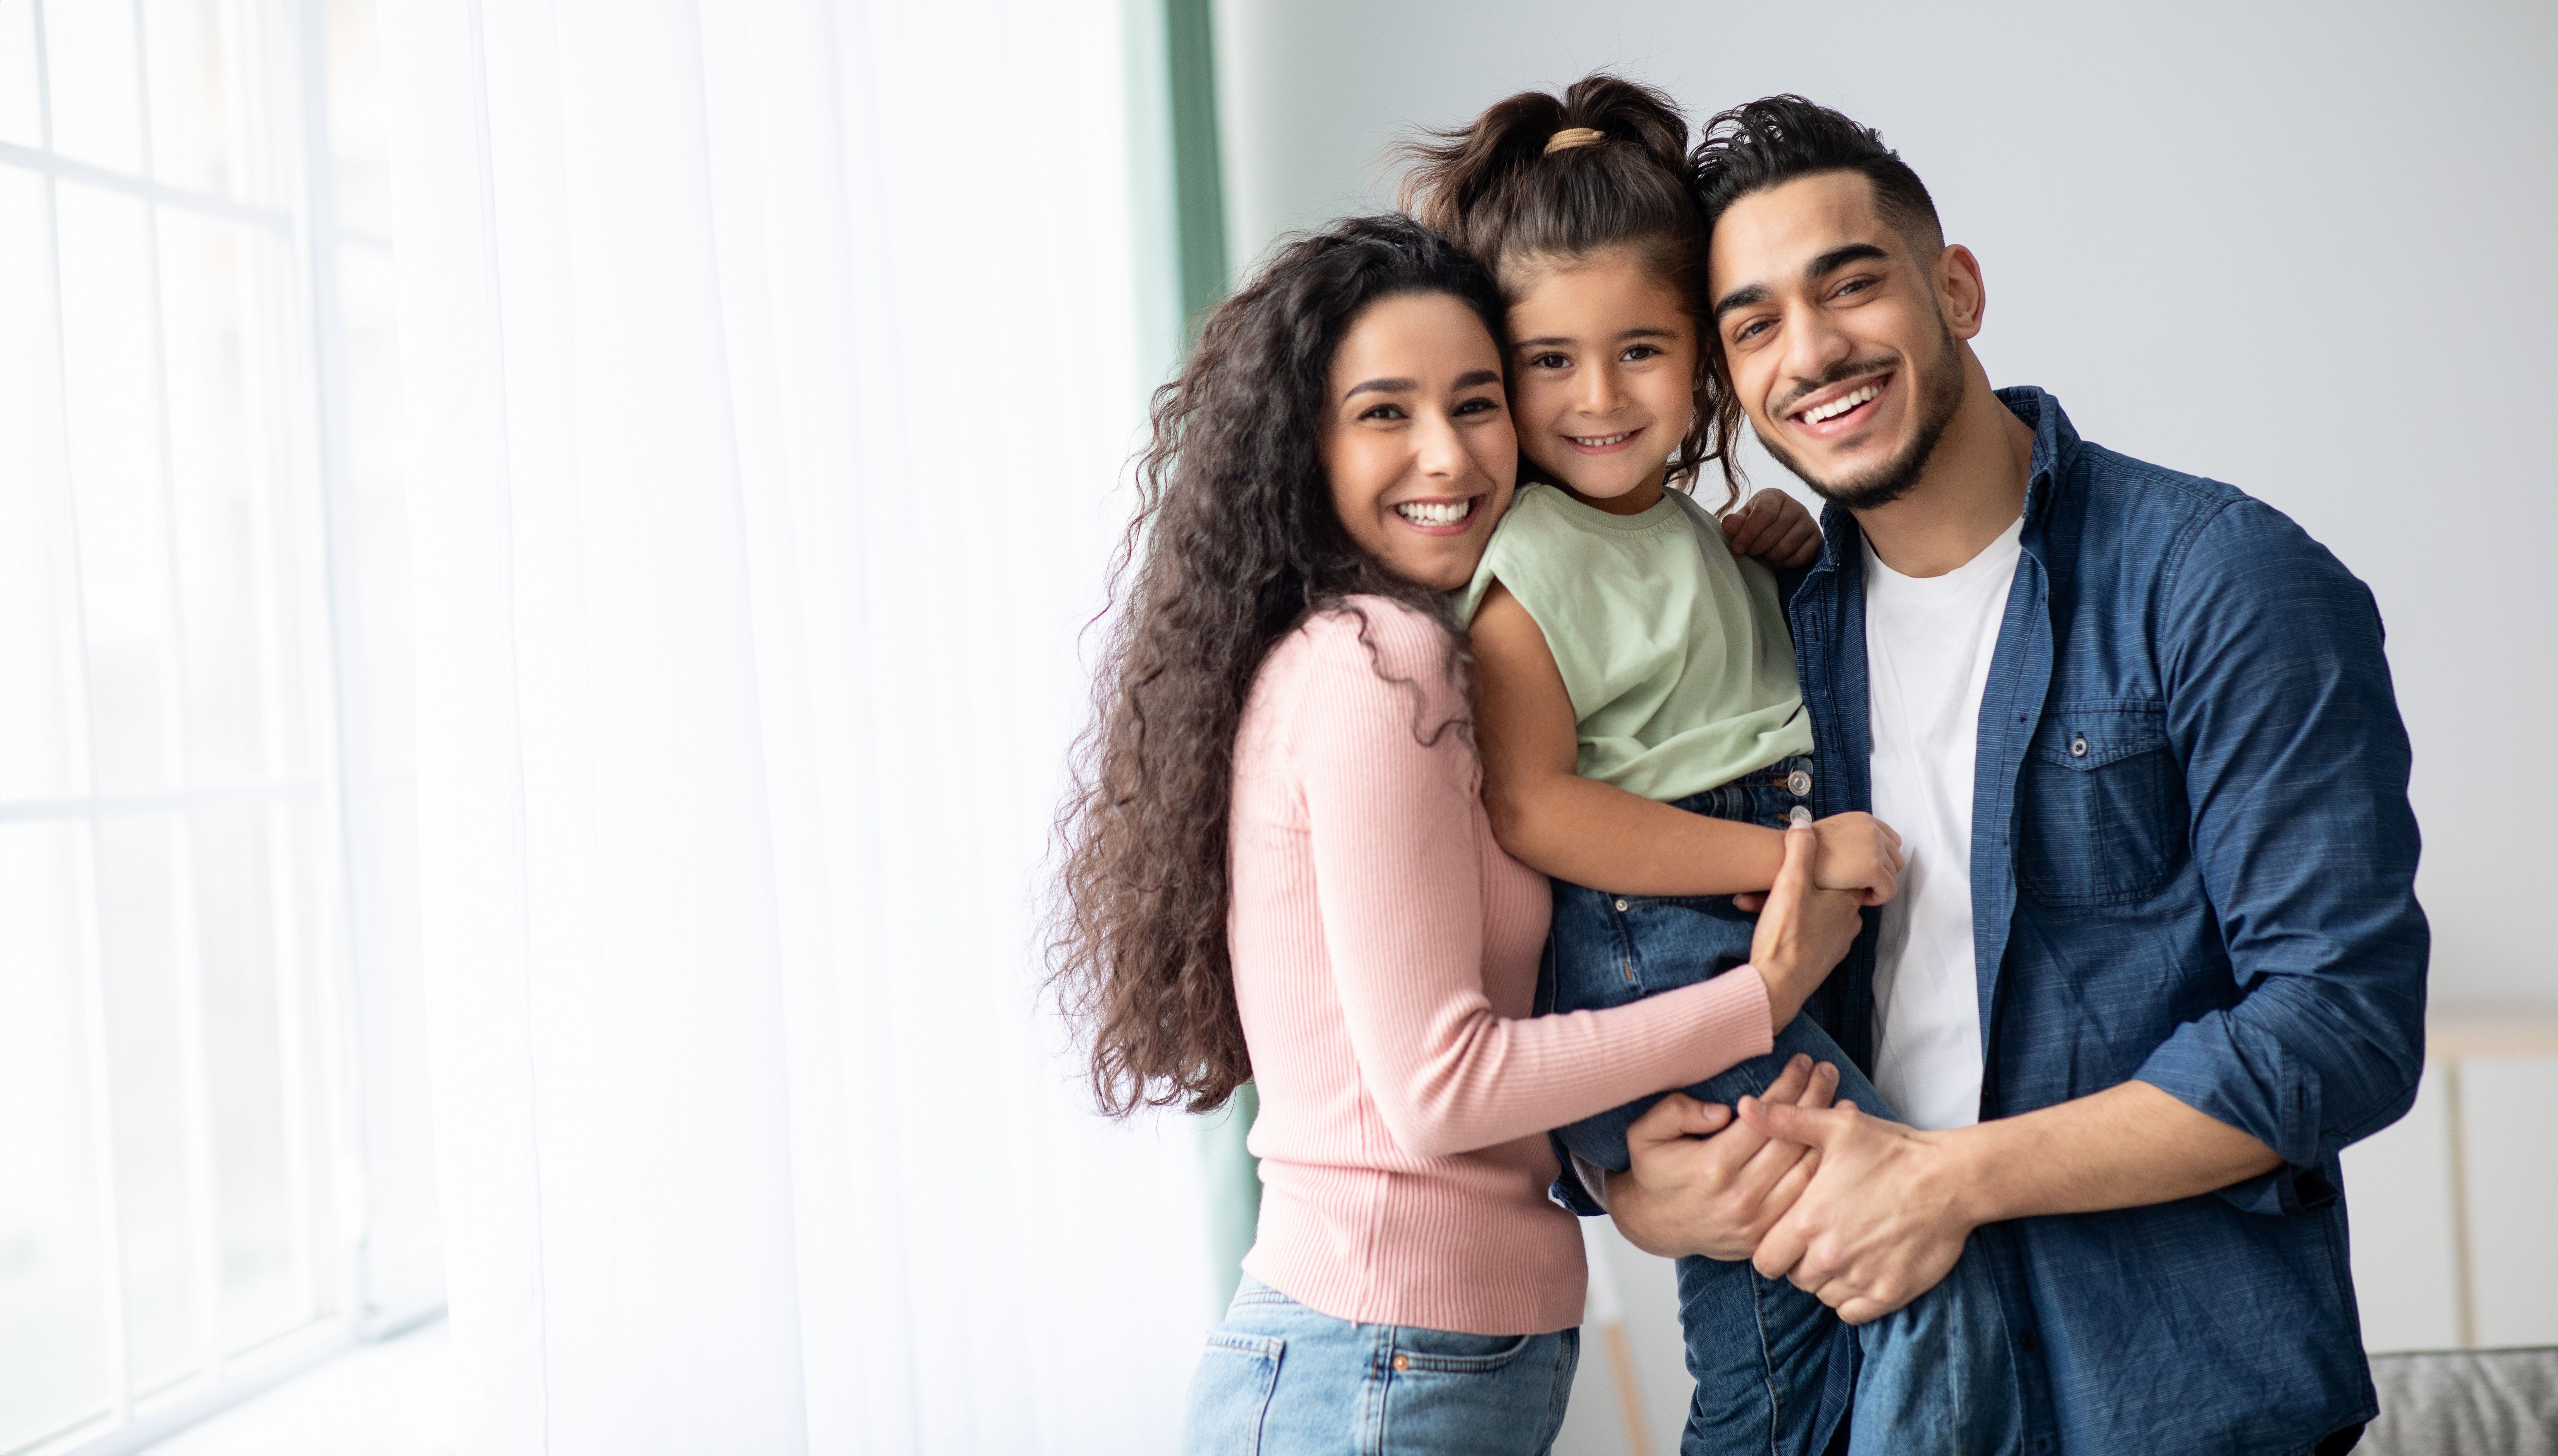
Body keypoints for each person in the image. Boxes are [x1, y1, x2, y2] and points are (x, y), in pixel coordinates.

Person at [1597, 95, 2428, 1455]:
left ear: (1957, 290)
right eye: (1753, 325)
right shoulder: (1760, 631)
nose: (1812, 353)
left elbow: (2340, 1026)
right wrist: (1627, 1185)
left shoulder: (2220, 582)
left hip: (2165, 1395)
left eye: (1850, 284)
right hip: (1852, 1391)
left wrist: (1949, 1183)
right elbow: (1626, 941)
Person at [1047, 214, 1861, 1456]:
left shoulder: (1434, 656)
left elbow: (1450, 1091)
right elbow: (1439, 1091)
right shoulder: (1379, 668)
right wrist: (1759, 997)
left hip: (1414, 1357)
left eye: (1476, 403)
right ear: (1301, 445)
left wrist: (1617, 1174)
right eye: (1385, 412)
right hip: (1374, 1365)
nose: (1447, 453)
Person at [1403, 74, 2020, 1456]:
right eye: (1549, 362)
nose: (1598, 397)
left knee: (1791, 1342)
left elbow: (1684, 688)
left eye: (1641, 349)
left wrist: (1758, 563)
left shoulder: (1687, 531)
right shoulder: (1532, 565)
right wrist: (1789, 862)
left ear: (1701, 361)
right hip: (1667, 948)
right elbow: (1536, 802)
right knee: (1896, 1287)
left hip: (1717, 937)